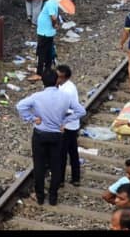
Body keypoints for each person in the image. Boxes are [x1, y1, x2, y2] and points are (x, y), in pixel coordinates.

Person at [16, 70, 86, 206]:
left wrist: (31, 118)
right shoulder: (65, 96)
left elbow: (20, 106)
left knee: (39, 165)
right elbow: (81, 111)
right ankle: (53, 197)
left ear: (43, 82)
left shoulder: (37, 96)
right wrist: (65, 121)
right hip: (56, 135)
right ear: (56, 81)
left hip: (40, 134)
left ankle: (40, 196)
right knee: (56, 165)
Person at [56, 64, 82, 187]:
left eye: (58, 76)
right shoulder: (68, 86)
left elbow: (68, 110)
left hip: (67, 126)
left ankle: (60, 179)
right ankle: (75, 177)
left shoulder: (67, 90)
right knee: (73, 152)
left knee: (62, 153)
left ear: (63, 77)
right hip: (72, 125)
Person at [29, 0, 60, 80]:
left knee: (41, 52)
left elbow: (53, 17)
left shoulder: (49, 4)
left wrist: (54, 24)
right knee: (48, 51)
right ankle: (47, 70)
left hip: (44, 33)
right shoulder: (52, 2)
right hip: (48, 32)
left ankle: (39, 73)